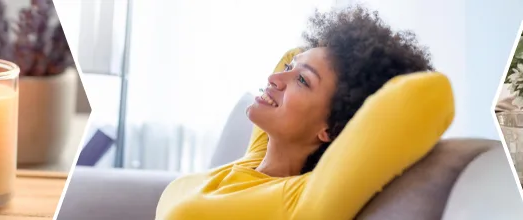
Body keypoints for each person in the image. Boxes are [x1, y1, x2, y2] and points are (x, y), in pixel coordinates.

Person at [155, 6, 455, 220]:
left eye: (302, 80)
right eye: (289, 69)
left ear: (331, 129)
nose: (275, 79)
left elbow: (429, 93)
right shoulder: (255, 161)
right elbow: (291, 52)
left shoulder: (302, 200)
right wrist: (311, 64)